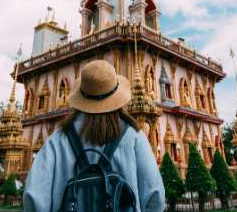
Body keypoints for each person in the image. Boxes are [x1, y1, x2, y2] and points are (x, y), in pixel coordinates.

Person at [24, 59, 165, 212]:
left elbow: (34, 197)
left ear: (81, 97)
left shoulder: (57, 140)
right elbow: (154, 196)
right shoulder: (134, 137)